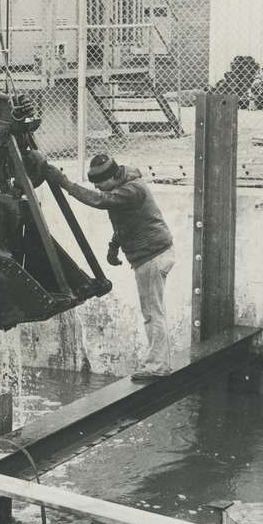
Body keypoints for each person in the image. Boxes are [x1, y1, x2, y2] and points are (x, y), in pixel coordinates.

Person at [40, 153, 176, 381]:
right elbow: (125, 220)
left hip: (152, 257)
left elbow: (101, 201)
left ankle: (158, 367)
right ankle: (159, 362)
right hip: (152, 255)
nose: (97, 187)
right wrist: (114, 247)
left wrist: (64, 182)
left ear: (113, 177)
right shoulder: (125, 186)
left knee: (153, 313)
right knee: (154, 311)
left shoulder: (133, 189)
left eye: (100, 184)